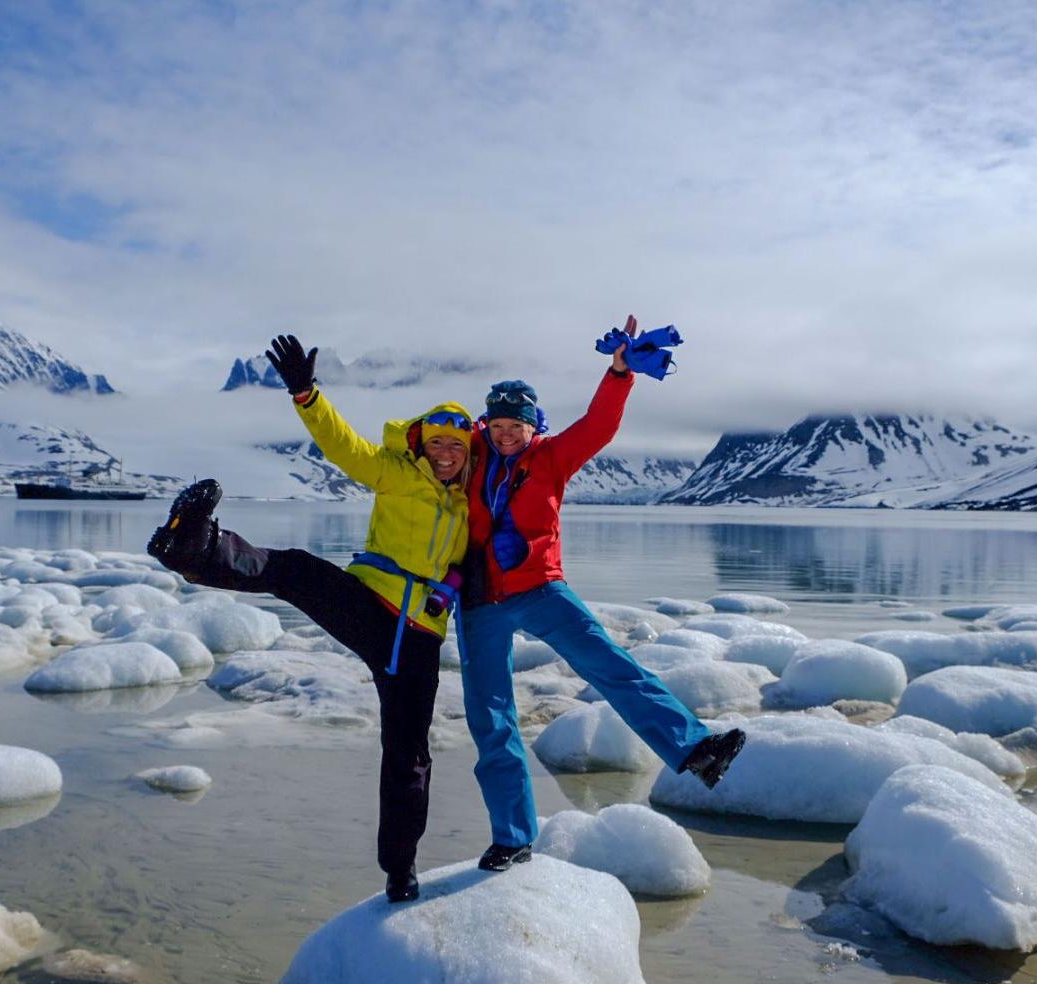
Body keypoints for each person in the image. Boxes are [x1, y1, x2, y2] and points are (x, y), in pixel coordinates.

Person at [146, 335, 473, 904]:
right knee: (294, 570)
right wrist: (306, 393)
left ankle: (401, 871)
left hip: (419, 639)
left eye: (458, 445)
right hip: (370, 605)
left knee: (409, 754)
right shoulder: (397, 473)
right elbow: (343, 446)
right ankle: (195, 550)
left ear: (469, 452)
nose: (447, 452)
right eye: (438, 441)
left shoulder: (474, 504)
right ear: (422, 443)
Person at [459, 326, 746, 871]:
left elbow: (597, 426)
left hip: (541, 589)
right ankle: (513, 835)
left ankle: (696, 749)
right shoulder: (471, 456)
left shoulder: (551, 457)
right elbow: (433, 440)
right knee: (491, 719)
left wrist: (618, 374)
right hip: (480, 602)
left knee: (612, 666)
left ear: (531, 424)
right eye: (496, 425)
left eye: (514, 425)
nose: (504, 435)